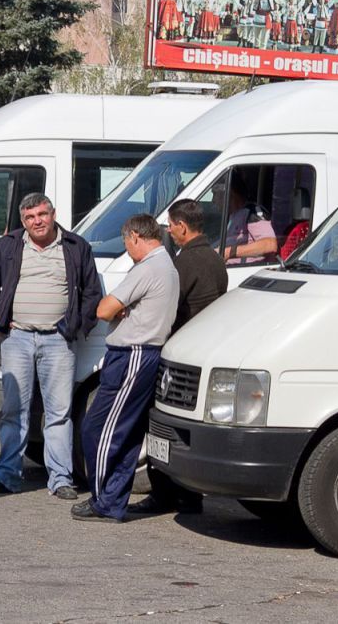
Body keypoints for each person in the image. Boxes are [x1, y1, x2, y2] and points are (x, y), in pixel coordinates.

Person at [0, 194, 102, 500]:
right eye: (30, 217)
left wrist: (75, 327)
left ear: (53, 214)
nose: (37, 221)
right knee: (13, 411)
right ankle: (6, 476)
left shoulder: (75, 246)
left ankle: (60, 479)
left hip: (58, 341)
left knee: (59, 413)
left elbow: (92, 294)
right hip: (17, 338)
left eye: (42, 214)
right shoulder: (9, 246)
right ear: (23, 221)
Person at [72, 215, 179, 523]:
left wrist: (120, 310)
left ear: (135, 237)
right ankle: (113, 500)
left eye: (126, 244)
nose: (128, 250)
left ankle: (103, 500)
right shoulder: (166, 265)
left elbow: (104, 309)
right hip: (142, 352)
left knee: (100, 428)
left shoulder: (149, 267)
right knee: (126, 431)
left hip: (133, 352)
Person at [126, 199, 228, 515]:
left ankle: (166, 495)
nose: (168, 231)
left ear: (182, 227)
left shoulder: (185, 263)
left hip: (181, 355)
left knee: (163, 426)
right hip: (203, 351)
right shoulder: (214, 259)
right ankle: (187, 495)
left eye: (170, 225)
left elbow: (167, 305)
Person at [223, 178, 277, 265]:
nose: (213, 200)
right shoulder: (229, 216)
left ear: (231, 194)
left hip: (246, 273)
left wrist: (228, 252)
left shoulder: (252, 212)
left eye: (215, 193)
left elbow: (270, 244)